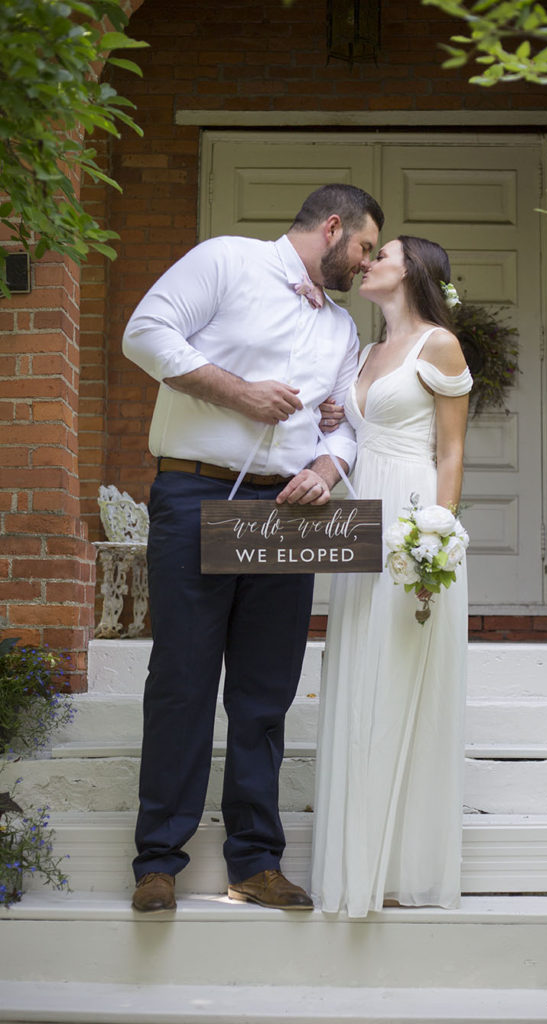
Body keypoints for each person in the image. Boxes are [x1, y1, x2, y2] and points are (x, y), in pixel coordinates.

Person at [122, 184, 384, 913]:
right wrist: (238, 394)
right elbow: (144, 334)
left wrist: (326, 469)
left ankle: (255, 863)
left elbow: (341, 425)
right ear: (332, 227)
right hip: (195, 494)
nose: (364, 265)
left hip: (287, 513)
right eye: (363, 247)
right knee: (182, 680)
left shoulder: (340, 329)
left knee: (264, 692)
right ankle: (157, 862)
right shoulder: (225, 260)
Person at [311, 235, 473, 918]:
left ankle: (403, 864)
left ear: (415, 273)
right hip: (359, 515)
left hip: (411, 523)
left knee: (403, 683)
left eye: (385, 253)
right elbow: (358, 427)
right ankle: (356, 862)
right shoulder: (364, 351)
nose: (369, 261)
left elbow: (452, 448)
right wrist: (334, 412)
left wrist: (434, 533)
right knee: (357, 679)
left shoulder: (437, 344)